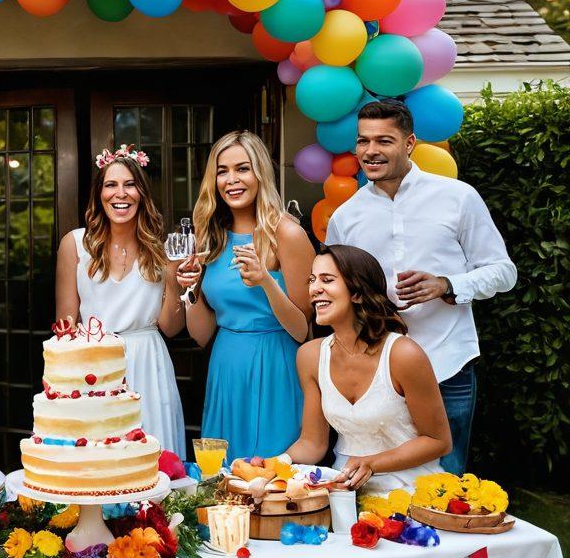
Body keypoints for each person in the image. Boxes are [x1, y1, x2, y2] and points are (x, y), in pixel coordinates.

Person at [326, 99, 516, 473]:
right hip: (377, 371)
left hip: (448, 362)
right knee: (380, 477)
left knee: (446, 480)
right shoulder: (345, 217)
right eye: (363, 141)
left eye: (384, 140)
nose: (370, 151)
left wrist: (447, 284)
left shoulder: (459, 197)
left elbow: (503, 271)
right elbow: (340, 291)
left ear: (409, 143)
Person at [177, 131, 314, 460]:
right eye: (222, 171)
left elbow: (302, 330)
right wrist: (190, 290)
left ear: (260, 173)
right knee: (225, 476)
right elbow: (201, 335)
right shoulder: (210, 237)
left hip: (276, 364)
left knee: (270, 475)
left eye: (242, 168)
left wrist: (266, 281)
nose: (231, 180)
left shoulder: (287, 234)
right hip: (226, 364)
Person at [282, 245, 451, 493]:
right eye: (312, 279)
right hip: (345, 491)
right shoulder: (310, 356)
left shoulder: (403, 354)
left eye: (327, 280)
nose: (314, 288)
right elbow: (312, 443)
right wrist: (275, 464)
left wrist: (372, 463)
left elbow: (438, 441)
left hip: (412, 490)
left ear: (358, 293)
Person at [54, 145, 187, 457]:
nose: (120, 194)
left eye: (130, 184)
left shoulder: (162, 250)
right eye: (111, 185)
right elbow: (65, 328)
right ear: (99, 194)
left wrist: (173, 277)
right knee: (99, 462)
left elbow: (171, 327)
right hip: (95, 364)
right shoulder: (75, 244)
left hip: (149, 363)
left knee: (151, 461)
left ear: (142, 194)